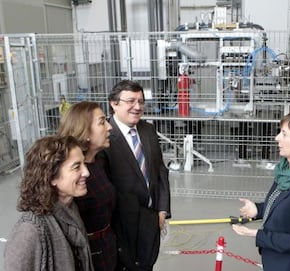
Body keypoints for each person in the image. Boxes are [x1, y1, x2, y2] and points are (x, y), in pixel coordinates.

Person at [232, 111, 290, 271]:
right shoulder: (285, 171)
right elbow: (282, 206)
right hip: (274, 258)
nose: (277, 138)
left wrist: (257, 235)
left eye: (284, 134)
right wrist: (258, 210)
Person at [99, 80, 171, 271]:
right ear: (114, 103)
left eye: (141, 101)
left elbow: (160, 171)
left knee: (146, 264)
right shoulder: (104, 137)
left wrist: (162, 210)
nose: (137, 107)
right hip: (121, 224)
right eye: (131, 101)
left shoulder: (148, 130)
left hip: (150, 219)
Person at [4, 135, 94, 271]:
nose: (86, 172)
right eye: (77, 167)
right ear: (51, 176)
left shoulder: (71, 209)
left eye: (84, 164)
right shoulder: (29, 231)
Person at [58, 101, 117, 271]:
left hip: (107, 249)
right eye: (102, 122)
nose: (109, 127)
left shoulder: (99, 161)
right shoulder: (70, 176)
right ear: (85, 132)